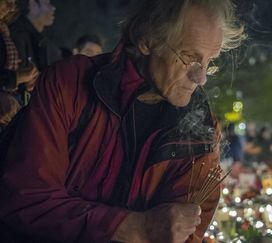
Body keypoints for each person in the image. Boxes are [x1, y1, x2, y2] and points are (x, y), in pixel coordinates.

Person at [0, 0, 245, 242]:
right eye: (189, 56)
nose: (200, 77)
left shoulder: (201, 131)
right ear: (148, 39)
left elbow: (182, 231)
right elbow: (27, 197)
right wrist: (134, 227)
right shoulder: (70, 83)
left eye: (208, 62)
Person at [9, 0, 60, 71]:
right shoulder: (18, 36)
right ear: (33, 5)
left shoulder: (33, 38)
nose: (53, 8)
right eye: (47, 3)